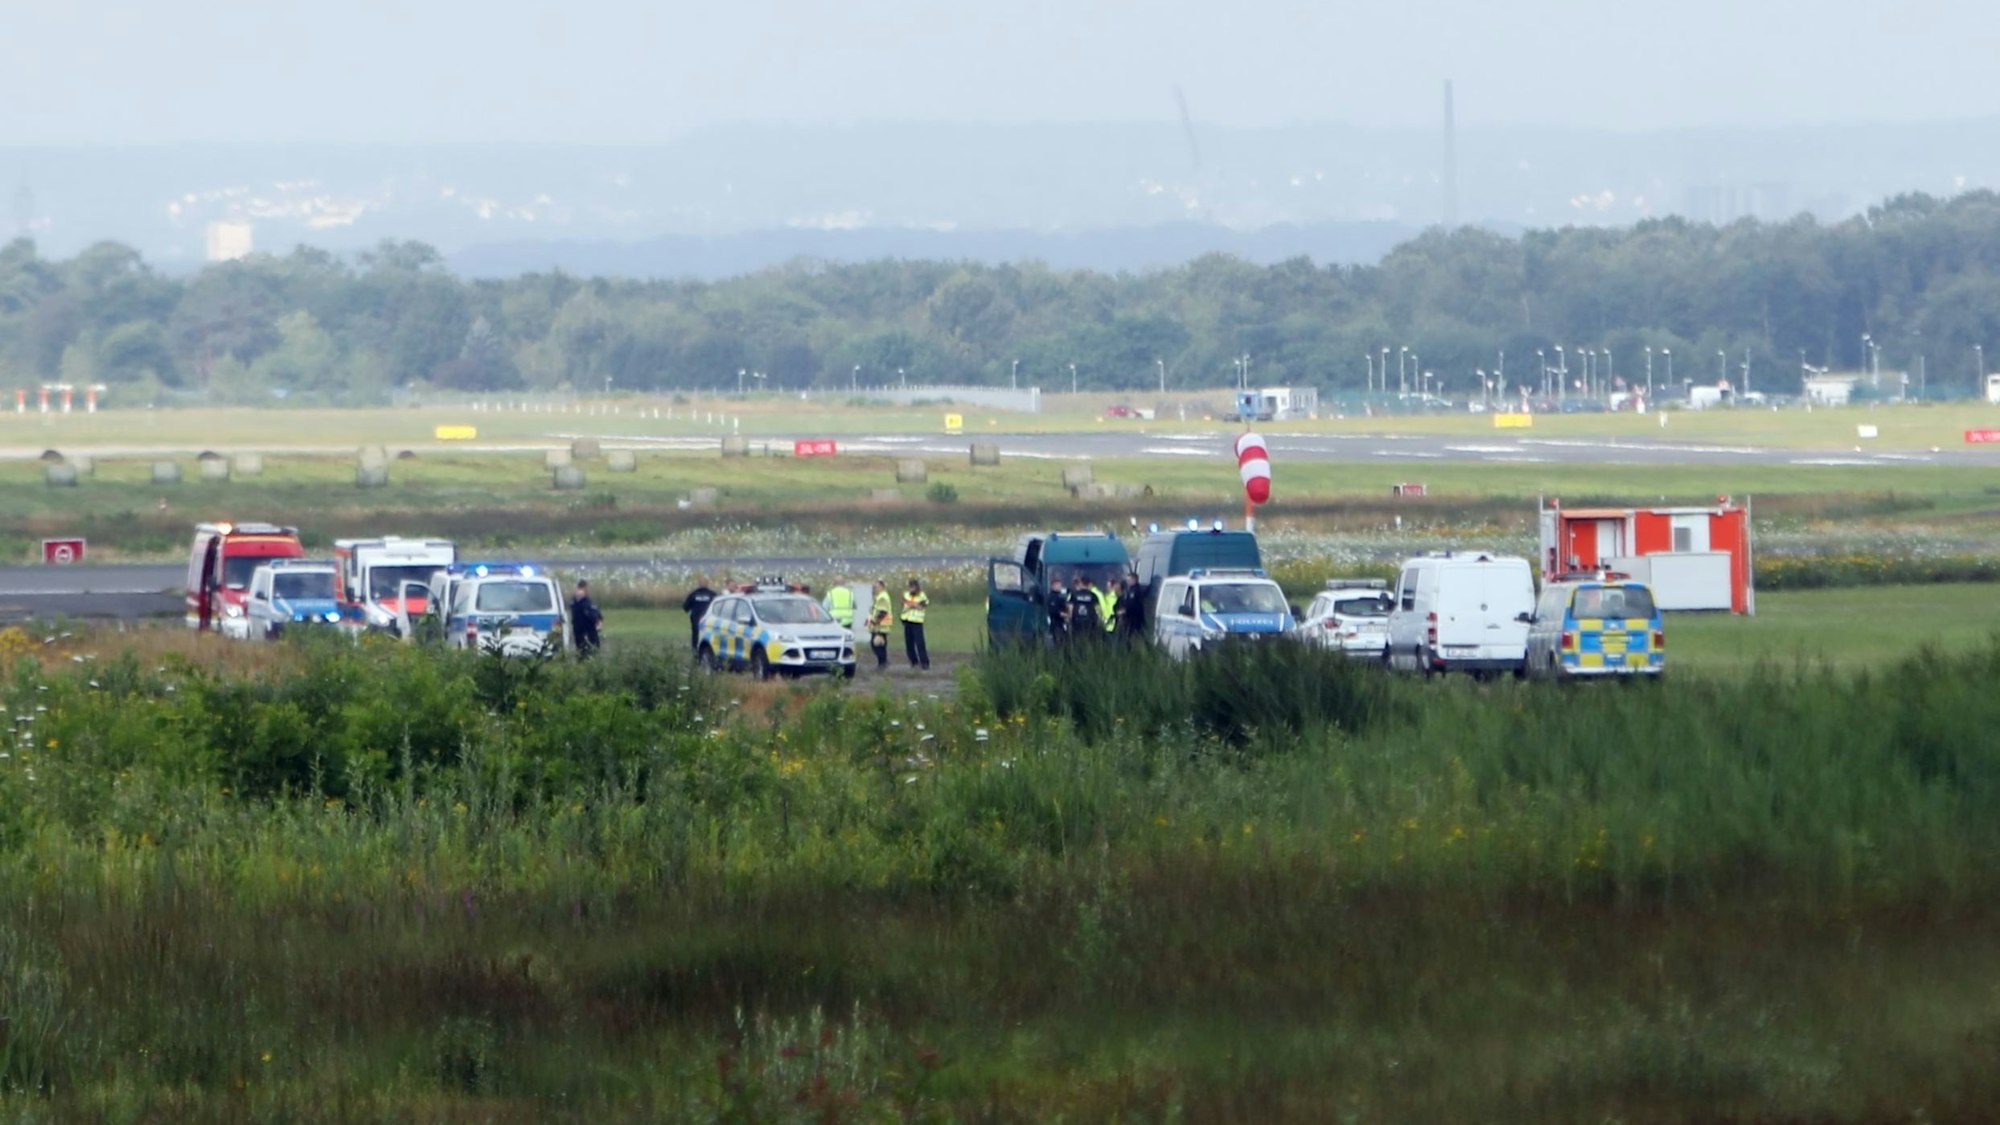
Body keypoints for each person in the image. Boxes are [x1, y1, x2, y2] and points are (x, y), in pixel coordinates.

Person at [900, 577, 930, 670]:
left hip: (917, 622)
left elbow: (922, 605)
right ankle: (913, 662)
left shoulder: (922, 596)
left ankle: (924, 663)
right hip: (907, 620)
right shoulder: (906, 594)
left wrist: (912, 604)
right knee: (909, 644)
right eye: (910, 587)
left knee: (920, 643)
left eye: (913, 587)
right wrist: (913, 604)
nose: (911, 589)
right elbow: (903, 602)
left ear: (917, 587)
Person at [682, 576, 717, 652]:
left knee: (696, 634)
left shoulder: (693, 594)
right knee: (708, 634)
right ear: (707, 584)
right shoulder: (713, 594)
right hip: (708, 619)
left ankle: (695, 650)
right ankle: (706, 650)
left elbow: (685, 607)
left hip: (697, 618)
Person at [571, 580, 604, 656]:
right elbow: (591, 614)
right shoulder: (584, 601)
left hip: (579, 630)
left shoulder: (574, 601)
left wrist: (599, 619)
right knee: (590, 650)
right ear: (585, 587)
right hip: (587, 630)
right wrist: (598, 621)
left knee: (581, 650)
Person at [867, 579, 893, 669]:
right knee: (880, 645)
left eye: (876, 587)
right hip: (881, 625)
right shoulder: (881, 596)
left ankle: (883, 662)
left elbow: (882, 612)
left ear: (882, 586)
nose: (874, 589)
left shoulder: (882, 597)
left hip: (880, 626)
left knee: (876, 645)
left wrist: (875, 622)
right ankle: (883, 662)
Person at [1117, 573, 1146, 642]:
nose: (1127, 581)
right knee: (1123, 636)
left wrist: (1125, 610)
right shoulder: (1128, 590)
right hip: (1127, 618)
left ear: (1134, 580)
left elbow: (1134, 604)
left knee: (1133, 636)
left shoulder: (1137, 590)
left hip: (1134, 618)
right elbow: (1124, 601)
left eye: (1129, 580)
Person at [1046, 576, 1069, 646]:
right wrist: (1066, 615)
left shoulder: (1060, 596)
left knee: (1064, 640)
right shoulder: (1052, 597)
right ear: (1053, 586)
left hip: (1061, 623)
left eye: (1060, 585)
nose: (1060, 587)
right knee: (1059, 641)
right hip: (1056, 623)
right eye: (1058, 585)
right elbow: (1054, 611)